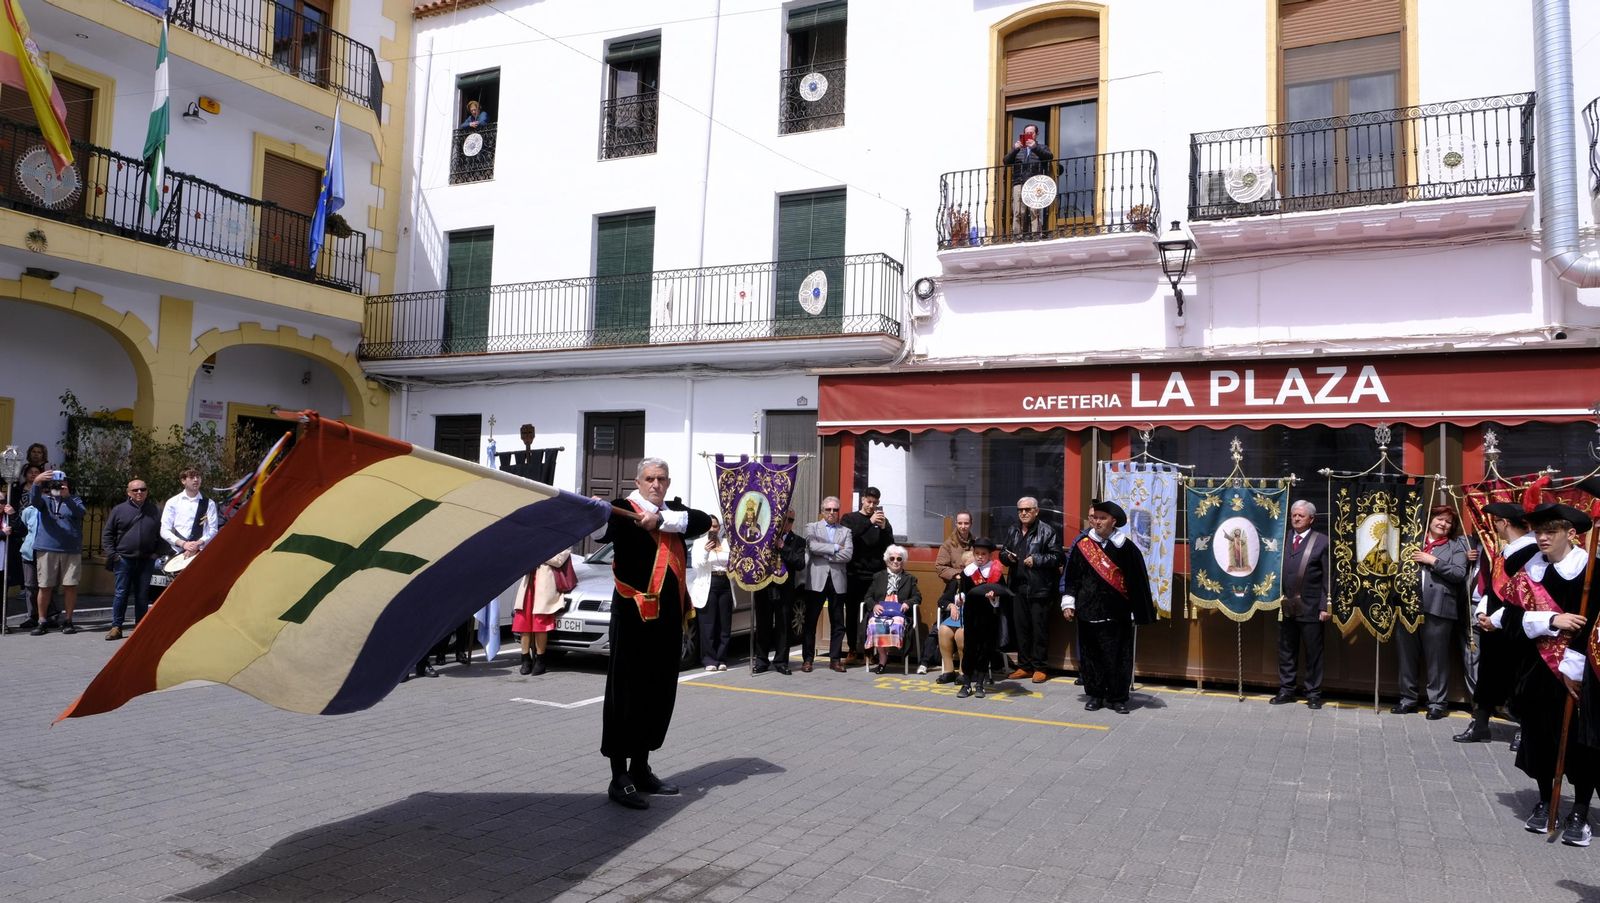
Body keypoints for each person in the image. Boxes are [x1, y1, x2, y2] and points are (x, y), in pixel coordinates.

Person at [595, 457, 711, 810]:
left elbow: (704, 521)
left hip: (667, 620)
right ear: (638, 481)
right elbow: (603, 527)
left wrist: (660, 520)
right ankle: (619, 776)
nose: (656, 484)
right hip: (632, 616)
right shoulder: (620, 509)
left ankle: (641, 767)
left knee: (657, 692)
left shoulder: (674, 513)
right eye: (649, 479)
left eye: (661, 479)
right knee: (625, 692)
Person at [1488, 502, 1597, 845]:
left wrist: (1574, 664)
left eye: (1551, 531)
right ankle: (1545, 799)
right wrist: (1551, 620)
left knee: (1582, 743)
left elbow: (1596, 626)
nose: (1543, 537)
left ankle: (1579, 810)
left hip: (1581, 673)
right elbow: (1506, 618)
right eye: (1538, 531)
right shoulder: (1528, 570)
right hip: (1537, 670)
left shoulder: (1592, 571)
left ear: (1571, 534)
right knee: (1539, 738)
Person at [1060, 500, 1155, 714]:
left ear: (1113, 521)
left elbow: (1137, 580)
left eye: (1103, 518)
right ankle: (1095, 694)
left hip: (1117, 612)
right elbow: (1072, 577)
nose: (1098, 522)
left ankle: (1118, 697)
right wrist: (1069, 602)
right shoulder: (1082, 545)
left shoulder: (1126, 547)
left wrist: (1136, 610)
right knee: (1091, 656)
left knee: (1118, 656)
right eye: (1095, 518)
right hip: (1088, 611)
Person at [1456, 501, 1539, 743]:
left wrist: (1496, 618)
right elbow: (1493, 587)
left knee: (1520, 677)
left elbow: (1527, 594)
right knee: (1488, 674)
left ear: (1504, 523)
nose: (1496, 527)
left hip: (1516, 625)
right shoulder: (1505, 550)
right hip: (1493, 623)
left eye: (1497, 523)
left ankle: (1526, 730)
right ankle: (1480, 724)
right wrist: (1483, 612)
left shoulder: (1532, 551)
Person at [1391, 505, 1469, 720]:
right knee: (1407, 656)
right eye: (1439, 519)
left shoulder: (1456, 547)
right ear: (1431, 520)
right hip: (1407, 606)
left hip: (1439, 608)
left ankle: (1436, 703)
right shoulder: (1412, 541)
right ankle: (1408, 700)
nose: (1443, 524)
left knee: (1437, 659)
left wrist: (1432, 560)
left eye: (1448, 522)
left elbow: (1458, 573)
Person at [1272, 500, 1330, 709]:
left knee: (1313, 652)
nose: (1296, 518)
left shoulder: (1322, 541)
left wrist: (1325, 606)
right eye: (1294, 515)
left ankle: (1313, 693)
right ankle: (1286, 689)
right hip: (1286, 605)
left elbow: (1328, 577)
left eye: (1301, 516)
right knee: (1286, 649)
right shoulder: (1283, 537)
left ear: (1311, 519)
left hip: (1312, 607)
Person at [1001, 496, 1061, 684]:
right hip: (1017, 587)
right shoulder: (1013, 530)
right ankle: (1024, 666)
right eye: (1020, 510)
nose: (1024, 513)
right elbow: (1003, 552)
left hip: (1040, 588)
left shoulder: (1047, 531)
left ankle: (1040, 667)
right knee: (1022, 629)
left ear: (1036, 511)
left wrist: (1037, 560)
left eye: (1027, 510)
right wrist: (1006, 557)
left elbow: (1058, 557)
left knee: (1039, 629)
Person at [101, 478, 164, 641]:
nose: (139, 492)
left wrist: (156, 553)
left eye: (142, 489)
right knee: (121, 593)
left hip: (146, 560)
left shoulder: (154, 510)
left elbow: (161, 535)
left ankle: (140, 628)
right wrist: (114, 556)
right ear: (128, 493)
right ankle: (117, 627)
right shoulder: (118, 510)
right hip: (123, 560)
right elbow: (107, 534)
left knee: (142, 595)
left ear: (147, 491)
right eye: (135, 490)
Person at [841, 487, 893, 666]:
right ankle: (852, 649)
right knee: (852, 613)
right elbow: (848, 537)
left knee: (873, 614)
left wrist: (884, 528)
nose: (871, 506)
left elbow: (890, 548)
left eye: (875, 503)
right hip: (854, 574)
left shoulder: (882, 522)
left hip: (875, 576)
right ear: (862, 500)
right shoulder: (850, 518)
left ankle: (869, 652)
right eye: (869, 502)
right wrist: (869, 522)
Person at [28, 470, 85, 635]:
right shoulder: (44, 500)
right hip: (47, 548)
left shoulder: (74, 499)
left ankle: (68, 620)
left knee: (70, 585)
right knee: (45, 586)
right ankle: (42, 621)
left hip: (70, 549)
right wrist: (37, 482)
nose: (59, 485)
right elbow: (34, 500)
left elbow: (80, 513)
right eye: (55, 483)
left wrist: (67, 497)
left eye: (63, 482)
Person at [804, 496, 852, 672]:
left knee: (838, 622)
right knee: (810, 621)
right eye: (828, 509)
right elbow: (812, 546)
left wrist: (825, 552)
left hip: (837, 581)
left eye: (835, 510)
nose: (832, 513)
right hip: (817, 580)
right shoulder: (812, 527)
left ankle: (835, 659)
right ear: (822, 511)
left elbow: (848, 555)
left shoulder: (846, 531)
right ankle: (808, 659)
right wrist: (835, 548)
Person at [957, 538, 1009, 699]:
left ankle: (980, 683)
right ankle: (966, 683)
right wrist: (960, 598)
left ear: (989, 555)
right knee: (970, 649)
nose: (980, 557)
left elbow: (1003, 592)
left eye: (983, 554)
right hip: (971, 615)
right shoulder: (968, 571)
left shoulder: (995, 571)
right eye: (977, 553)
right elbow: (963, 591)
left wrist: (994, 596)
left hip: (988, 615)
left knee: (985, 649)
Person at [753, 510, 804, 675]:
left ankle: (781, 661)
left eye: (790, 520)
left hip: (784, 589)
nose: (786, 523)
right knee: (763, 625)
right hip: (765, 586)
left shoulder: (798, 541)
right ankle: (761, 660)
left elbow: (799, 563)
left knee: (783, 626)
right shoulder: (765, 538)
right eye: (784, 520)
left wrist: (783, 547)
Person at [510, 549, 573, 676]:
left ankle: (540, 660)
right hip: (528, 585)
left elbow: (558, 561)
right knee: (523, 623)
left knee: (540, 623)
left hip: (545, 587)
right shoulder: (538, 541)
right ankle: (525, 659)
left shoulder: (564, 542)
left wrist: (540, 555)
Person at [926, 510, 975, 670]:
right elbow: (939, 567)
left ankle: (965, 668)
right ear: (956, 524)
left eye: (966, 523)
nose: (963, 526)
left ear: (970, 524)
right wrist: (957, 575)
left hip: (973, 587)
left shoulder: (975, 542)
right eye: (960, 523)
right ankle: (931, 662)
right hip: (955, 587)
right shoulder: (949, 544)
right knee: (940, 628)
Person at [864, 544, 920, 674]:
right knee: (874, 624)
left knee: (897, 624)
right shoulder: (878, 576)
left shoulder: (910, 578)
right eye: (892, 558)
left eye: (899, 559)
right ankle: (883, 657)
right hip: (881, 611)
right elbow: (868, 596)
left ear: (903, 561)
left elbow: (917, 597)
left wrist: (908, 603)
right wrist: (874, 605)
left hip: (899, 613)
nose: (895, 561)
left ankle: (888, 653)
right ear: (887, 561)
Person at [692, 516, 734, 671]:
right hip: (708, 584)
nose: (712, 529)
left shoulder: (726, 543)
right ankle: (709, 659)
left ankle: (721, 658)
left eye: (715, 526)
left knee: (724, 623)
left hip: (725, 582)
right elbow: (697, 565)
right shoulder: (699, 543)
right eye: (709, 526)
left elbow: (732, 562)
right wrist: (705, 551)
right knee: (708, 624)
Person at [1003, 124, 1053, 237]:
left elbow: (1049, 156)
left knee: (1034, 210)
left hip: (1035, 182)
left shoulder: (1042, 147)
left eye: (1031, 133)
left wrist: (1035, 147)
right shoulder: (1018, 150)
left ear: (1036, 134)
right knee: (1018, 211)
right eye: (1026, 133)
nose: (1029, 135)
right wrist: (1014, 150)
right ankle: (1018, 235)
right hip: (1019, 182)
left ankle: (1036, 234)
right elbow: (1006, 161)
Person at [160, 468, 218, 564]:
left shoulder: (209, 503)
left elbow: (213, 529)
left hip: (200, 553)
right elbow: (164, 530)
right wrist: (183, 544)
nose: (196, 480)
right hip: (178, 553)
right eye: (191, 477)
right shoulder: (173, 502)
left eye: (198, 477)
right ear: (183, 481)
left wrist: (198, 543)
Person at [934, 552, 971, 684]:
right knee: (943, 630)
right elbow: (942, 600)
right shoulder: (957, 581)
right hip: (957, 616)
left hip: (972, 618)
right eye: (967, 565)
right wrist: (951, 605)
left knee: (961, 634)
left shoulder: (980, 580)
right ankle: (949, 671)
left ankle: (963, 671)